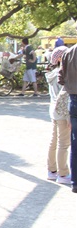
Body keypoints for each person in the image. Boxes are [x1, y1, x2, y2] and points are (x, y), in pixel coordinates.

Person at [44, 46, 70, 184]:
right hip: (62, 112)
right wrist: (68, 116)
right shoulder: (63, 74)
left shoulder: (52, 73)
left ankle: (52, 170)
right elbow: (65, 97)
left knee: (54, 141)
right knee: (63, 143)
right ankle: (63, 173)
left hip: (53, 110)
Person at [57, 43, 77, 192]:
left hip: (73, 99)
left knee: (75, 142)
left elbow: (61, 78)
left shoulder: (68, 53)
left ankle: (75, 182)